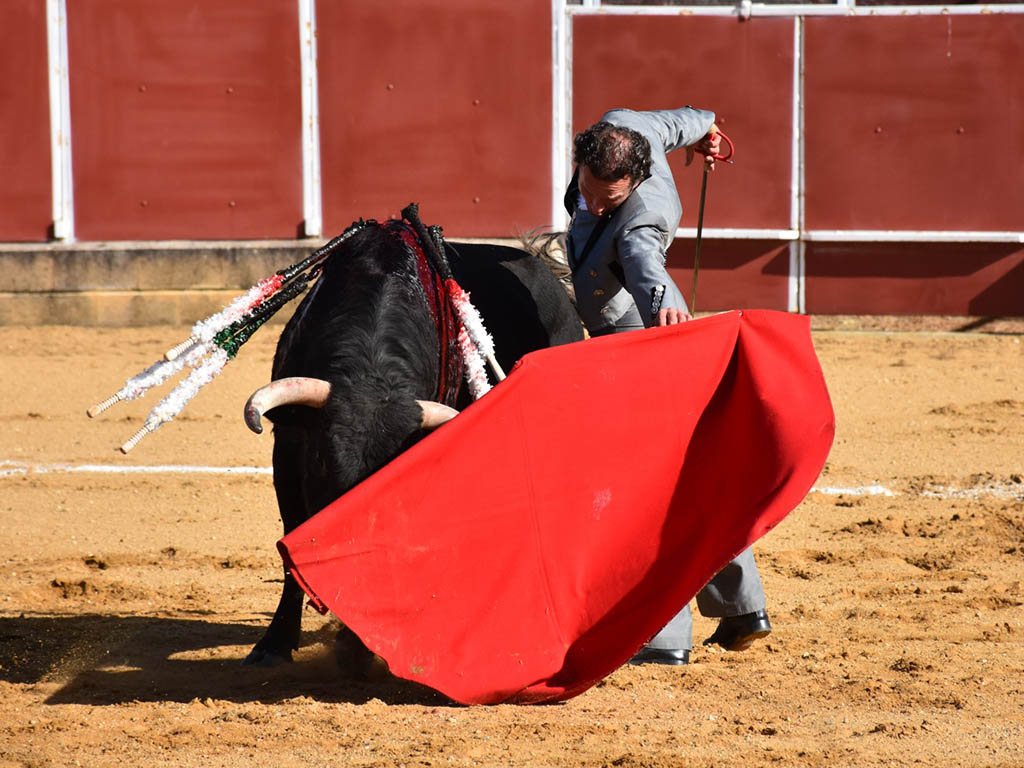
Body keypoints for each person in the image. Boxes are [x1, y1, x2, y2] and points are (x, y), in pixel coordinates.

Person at [564, 107, 772, 665]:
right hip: (627, 342)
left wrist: (669, 320)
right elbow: (686, 119)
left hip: (640, 348)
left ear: (637, 178)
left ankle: (664, 637)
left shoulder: (640, 224)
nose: (596, 205)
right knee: (690, 477)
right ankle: (743, 609)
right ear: (582, 158)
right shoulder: (628, 127)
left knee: (648, 488)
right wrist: (708, 130)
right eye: (589, 190)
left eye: (610, 198)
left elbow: (647, 271)